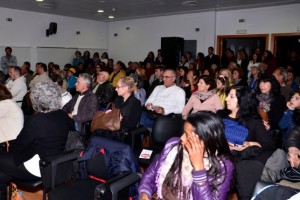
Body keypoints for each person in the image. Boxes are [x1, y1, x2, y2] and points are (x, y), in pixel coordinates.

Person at [0, 81, 73, 199]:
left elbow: (17, 148)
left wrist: (8, 146)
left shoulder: (36, 121)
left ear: (35, 100)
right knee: (3, 171)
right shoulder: (63, 116)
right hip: (56, 166)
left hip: (38, 168)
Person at [138, 111, 234, 200]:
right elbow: (151, 173)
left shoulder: (223, 165)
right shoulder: (173, 145)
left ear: (206, 140)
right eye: (183, 133)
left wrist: (199, 169)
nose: (182, 138)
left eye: (187, 135)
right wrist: (144, 192)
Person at [219, 86, 274, 200]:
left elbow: (268, 144)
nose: (226, 99)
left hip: (241, 161)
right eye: (228, 95)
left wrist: (250, 143)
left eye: (231, 97)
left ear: (242, 100)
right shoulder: (220, 117)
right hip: (219, 155)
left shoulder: (253, 121)